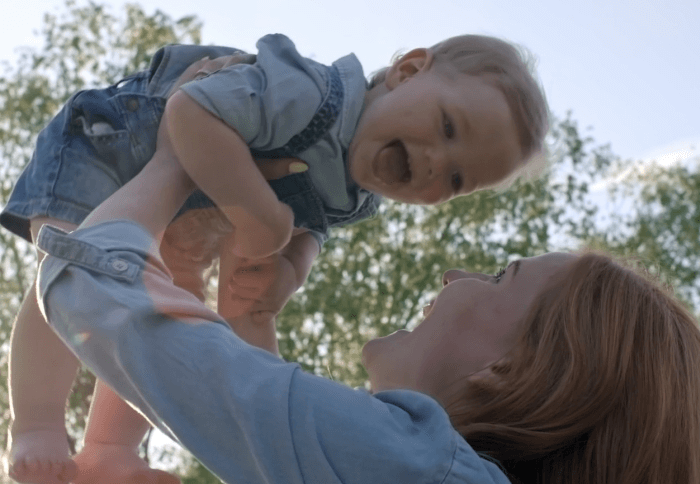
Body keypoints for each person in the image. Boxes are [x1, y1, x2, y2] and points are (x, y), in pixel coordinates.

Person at [32, 129, 700, 484]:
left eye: (499, 277)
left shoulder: (420, 469)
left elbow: (90, 289)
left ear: (514, 367)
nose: (453, 273)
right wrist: (250, 320)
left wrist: (179, 159)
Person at [2, 33, 549, 483]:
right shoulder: (312, 93)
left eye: (456, 180)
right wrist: (258, 212)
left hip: (177, 210)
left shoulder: (359, 192)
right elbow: (191, 112)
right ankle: (37, 423)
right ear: (408, 70)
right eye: (448, 127)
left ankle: (108, 448)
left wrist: (288, 270)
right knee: (69, 263)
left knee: (169, 306)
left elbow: (312, 227)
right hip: (110, 139)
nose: (435, 162)